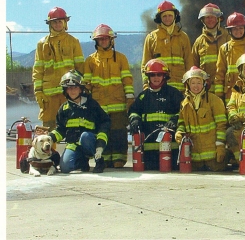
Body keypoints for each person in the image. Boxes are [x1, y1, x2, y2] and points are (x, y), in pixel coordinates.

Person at [83, 24, 135, 168]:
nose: (104, 41)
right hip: (98, 106)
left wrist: (129, 98)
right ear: (96, 42)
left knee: (119, 132)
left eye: (106, 39)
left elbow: (127, 80)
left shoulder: (120, 58)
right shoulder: (90, 61)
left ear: (112, 40)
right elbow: (86, 84)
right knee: (101, 132)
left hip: (117, 104)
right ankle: (103, 158)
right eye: (101, 39)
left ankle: (119, 159)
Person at [49, 70, 111, 173]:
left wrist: (100, 145)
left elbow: (105, 122)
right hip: (73, 145)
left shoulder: (91, 105)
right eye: (69, 88)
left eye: (75, 87)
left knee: (85, 136)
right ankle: (82, 162)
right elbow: (60, 130)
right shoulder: (64, 109)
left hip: (89, 142)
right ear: (66, 90)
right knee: (65, 168)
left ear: (81, 89)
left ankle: (99, 161)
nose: (72, 91)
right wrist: (50, 137)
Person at [32, 7, 84, 130]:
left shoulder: (73, 41)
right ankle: (49, 150)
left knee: (73, 126)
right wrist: (38, 91)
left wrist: (81, 89)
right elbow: (38, 69)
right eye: (55, 21)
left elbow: (80, 67)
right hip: (49, 95)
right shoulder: (42, 44)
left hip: (69, 91)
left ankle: (72, 150)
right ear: (50, 24)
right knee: (48, 128)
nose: (58, 24)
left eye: (60, 21)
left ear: (65, 23)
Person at [128, 59, 184, 170]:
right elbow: (133, 111)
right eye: (152, 75)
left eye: (159, 74)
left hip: (171, 153)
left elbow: (184, 112)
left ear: (165, 76)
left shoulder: (174, 94)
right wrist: (134, 119)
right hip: (149, 154)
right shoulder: (143, 97)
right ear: (148, 77)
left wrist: (175, 120)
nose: (156, 77)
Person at [175, 66, 227, 171]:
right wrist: (179, 132)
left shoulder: (214, 100)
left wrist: (220, 146)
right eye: (193, 83)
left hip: (213, 159)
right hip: (194, 161)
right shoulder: (184, 104)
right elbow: (182, 124)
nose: (196, 86)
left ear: (204, 83)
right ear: (188, 84)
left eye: (199, 83)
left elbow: (221, 125)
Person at [141, 0, 193, 93]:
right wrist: (146, 85)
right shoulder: (151, 38)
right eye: (164, 16)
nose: (167, 18)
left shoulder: (183, 37)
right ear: (159, 18)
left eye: (170, 15)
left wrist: (190, 85)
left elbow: (189, 62)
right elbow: (145, 65)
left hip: (180, 90)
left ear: (175, 17)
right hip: (159, 89)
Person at [192, 3, 230, 92]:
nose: (210, 20)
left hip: (226, 87)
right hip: (207, 89)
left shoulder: (228, 37)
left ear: (218, 19)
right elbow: (194, 65)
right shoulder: (199, 42)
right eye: (207, 17)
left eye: (212, 17)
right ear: (203, 20)